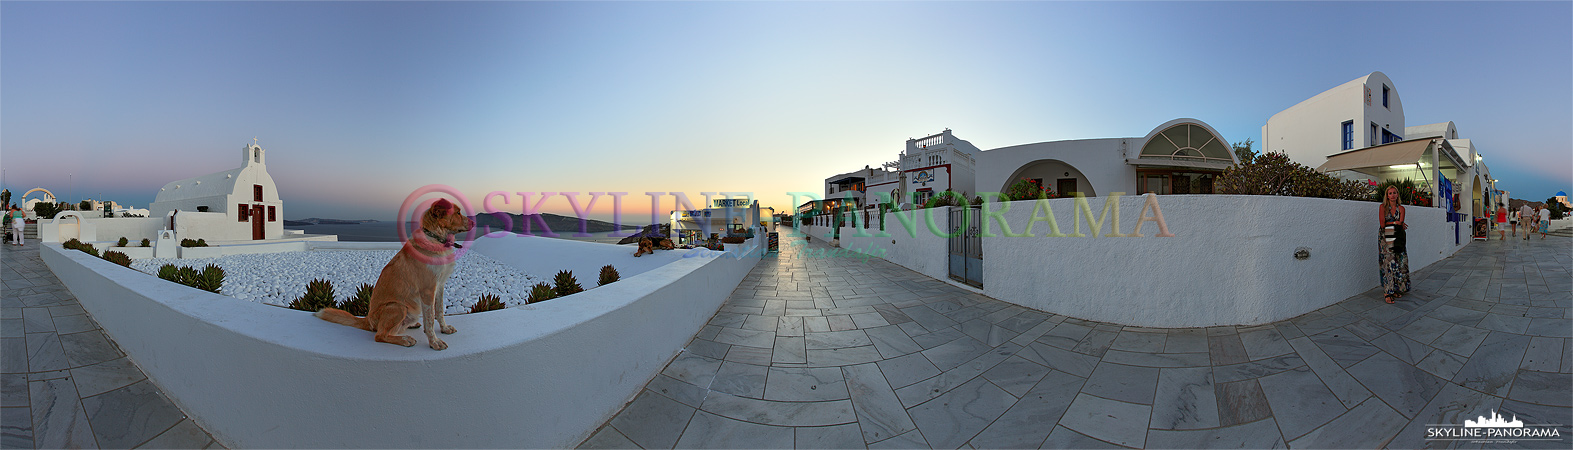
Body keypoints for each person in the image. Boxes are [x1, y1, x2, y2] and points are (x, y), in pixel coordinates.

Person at [1379, 186, 1410, 304]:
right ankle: (1387, 292)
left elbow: (1401, 222)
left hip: (1397, 236)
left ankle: (1395, 289)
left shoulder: (1401, 208)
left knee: (1398, 263)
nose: (1392, 195)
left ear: (1397, 195)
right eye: (1390, 193)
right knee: (1388, 263)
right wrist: (1394, 222)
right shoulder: (1383, 207)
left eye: (1394, 193)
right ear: (1387, 196)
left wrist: (1396, 223)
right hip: (1386, 237)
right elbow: (1382, 224)